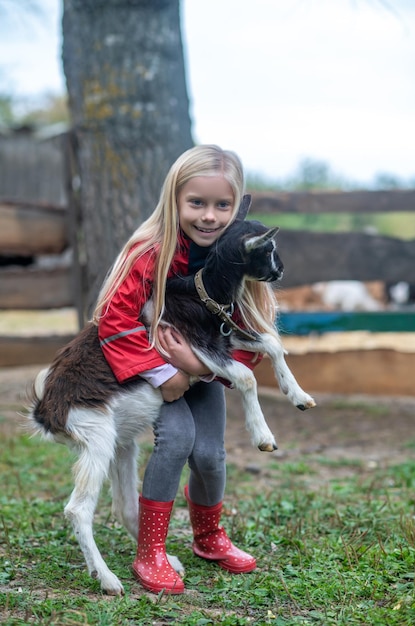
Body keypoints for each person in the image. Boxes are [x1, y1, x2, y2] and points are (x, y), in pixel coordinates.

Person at [92, 145, 278, 594]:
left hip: (204, 373)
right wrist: (166, 374)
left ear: (237, 206)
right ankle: (150, 551)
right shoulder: (149, 254)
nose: (209, 216)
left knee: (211, 455)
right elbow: (113, 321)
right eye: (197, 203)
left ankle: (209, 537)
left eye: (222, 205)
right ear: (174, 200)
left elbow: (252, 332)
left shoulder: (238, 261)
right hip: (158, 376)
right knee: (177, 440)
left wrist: (195, 366)